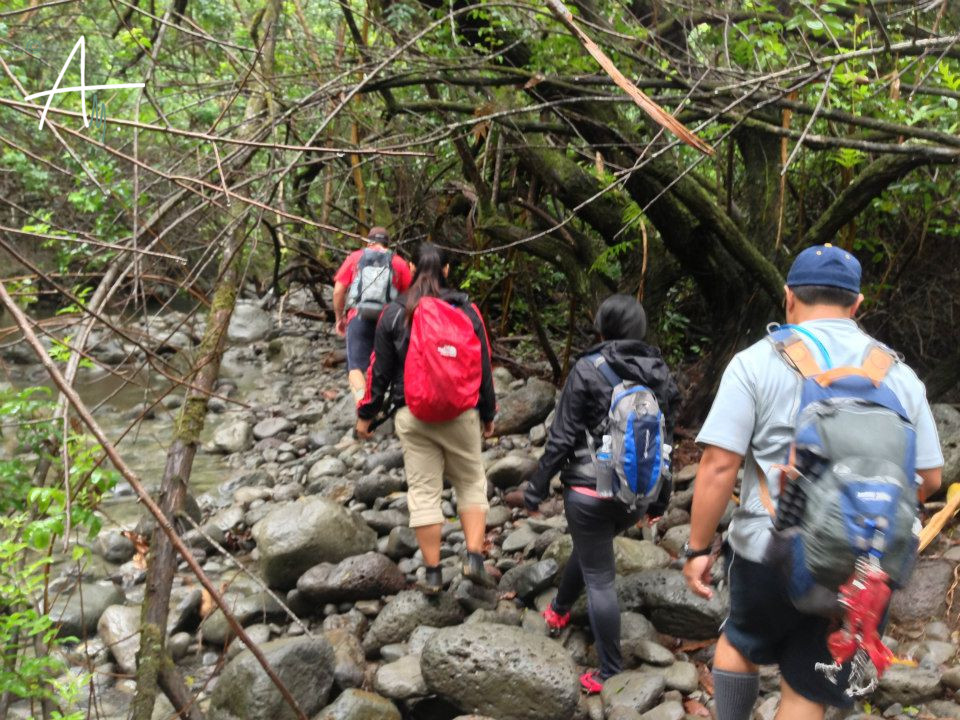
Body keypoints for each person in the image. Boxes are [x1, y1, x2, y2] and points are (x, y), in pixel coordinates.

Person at [683, 244, 943, 720]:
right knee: (807, 685)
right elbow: (928, 478)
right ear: (857, 305)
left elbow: (719, 464)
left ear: (788, 298)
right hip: (862, 567)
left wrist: (698, 550)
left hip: (770, 551)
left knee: (739, 642)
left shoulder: (756, 362)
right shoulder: (899, 374)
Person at [524, 294, 680, 694]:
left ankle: (609, 671)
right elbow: (665, 443)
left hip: (589, 493)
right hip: (636, 495)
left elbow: (561, 438)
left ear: (603, 327)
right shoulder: (659, 372)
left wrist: (536, 486)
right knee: (591, 549)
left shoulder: (587, 369)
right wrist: (659, 500)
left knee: (600, 578)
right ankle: (559, 610)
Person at [355, 243, 497, 594]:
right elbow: (484, 367)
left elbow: (380, 372)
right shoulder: (467, 310)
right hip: (461, 412)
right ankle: (474, 559)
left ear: (413, 268)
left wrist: (366, 415)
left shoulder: (394, 312)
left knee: (423, 491)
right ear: (447, 269)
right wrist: (488, 413)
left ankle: (433, 574)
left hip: (412, 414)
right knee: (470, 483)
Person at [333, 227, 412, 404]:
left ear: (368, 241)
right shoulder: (398, 262)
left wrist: (339, 318)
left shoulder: (355, 258)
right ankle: (386, 402)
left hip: (358, 317)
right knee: (385, 365)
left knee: (356, 368)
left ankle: (365, 409)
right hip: (388, 321)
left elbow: (338, 291)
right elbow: (408, 298)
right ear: (387, 243)